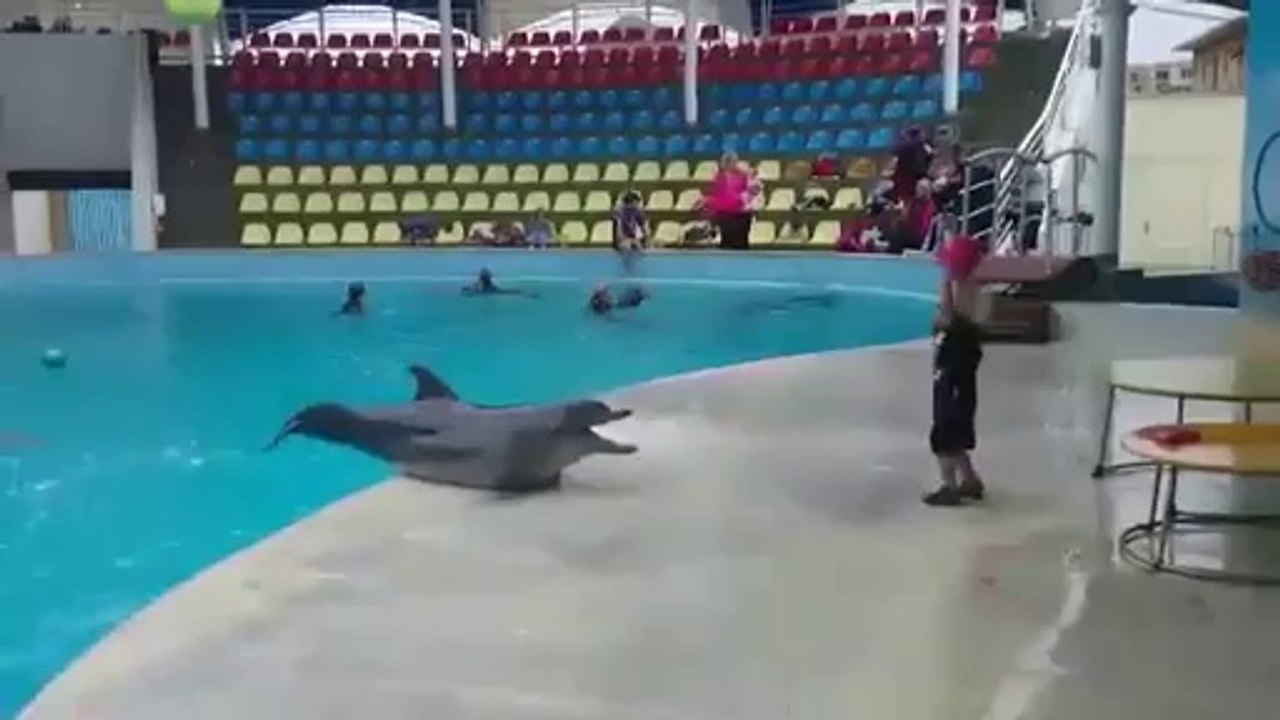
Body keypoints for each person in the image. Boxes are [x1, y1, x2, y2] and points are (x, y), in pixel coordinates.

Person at [925, 235, 986, 507]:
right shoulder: (975, 286)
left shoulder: (957, 285)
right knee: (958, 420)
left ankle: (949, 486)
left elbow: (948, 317)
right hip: (965, 355)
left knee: (945, 423)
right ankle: (970, 479)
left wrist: (940, 313)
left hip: (953, 356)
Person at [704, 152, 760, 251]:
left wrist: (746, 196)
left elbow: (755, 189)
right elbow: (717, 196)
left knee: (741, 245)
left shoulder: (744, 175)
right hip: (725, 215)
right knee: (726, 244)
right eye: (727, 162)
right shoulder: (719, 178)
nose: (729, 165)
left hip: (741, 216)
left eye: (733, 162)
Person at [461, 268, 534, 297]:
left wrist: (468, 289)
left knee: (511, 292)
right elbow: (499, 287)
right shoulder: (491, 281)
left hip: (488, 291)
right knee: (511, 292)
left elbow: (477, 289)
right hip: (495, 291)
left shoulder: (480, 282)